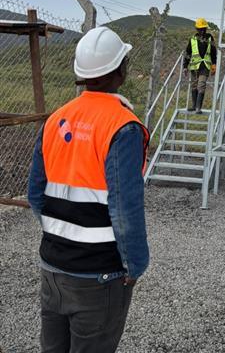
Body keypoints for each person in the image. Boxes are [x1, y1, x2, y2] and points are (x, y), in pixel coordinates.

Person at [28, 26, 149, 352]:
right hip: (99, 275)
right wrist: (135, 263)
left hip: (52, 266)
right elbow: (125, 207)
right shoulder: (123, 127)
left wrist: (62, 235)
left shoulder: (56, 119)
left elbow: (35, 194)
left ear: (81, 74)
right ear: (121, 72)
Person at [183, 18, 217, 113]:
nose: (202, 31)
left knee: (201, 85)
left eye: (204, 29)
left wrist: (214, 64)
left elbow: (214, 52)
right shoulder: (192, 39)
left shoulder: (210, 38)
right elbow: (188, 53)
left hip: (205, 66)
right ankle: (194, 106)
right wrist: (185, 66)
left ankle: (198, 108)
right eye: (200, 29)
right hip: (194, 67)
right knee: (194, 85)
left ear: (206, 29)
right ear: (197, 29)